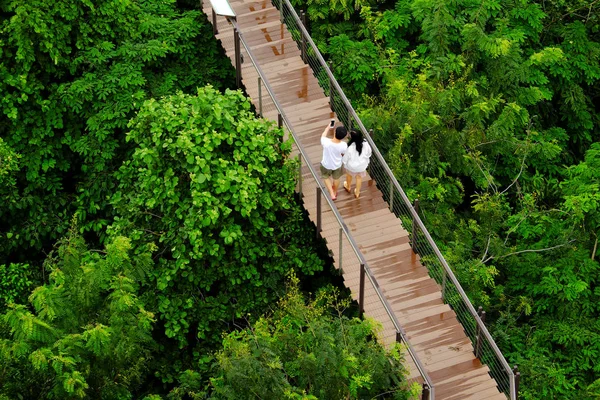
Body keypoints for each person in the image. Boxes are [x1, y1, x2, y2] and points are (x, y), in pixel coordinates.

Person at [320, 121, 348, 200]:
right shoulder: (343, 145)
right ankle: (335, 192)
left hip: (326, 164)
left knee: (326, 177)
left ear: (335, 132)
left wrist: (328, 127)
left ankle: (331, 193)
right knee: (336, 178)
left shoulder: (326, 142)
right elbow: (343, 153)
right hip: (337, 165)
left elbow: (323, 135)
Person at [342, 129, 372, 199]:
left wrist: (344, 163)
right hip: (362, 166)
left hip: (351, 166)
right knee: (359, 177)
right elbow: (369, 153)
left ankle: (348, 186)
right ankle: (357, 192)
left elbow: (345, 159)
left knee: (349, 174)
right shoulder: (366, 144)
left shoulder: (350, 147)